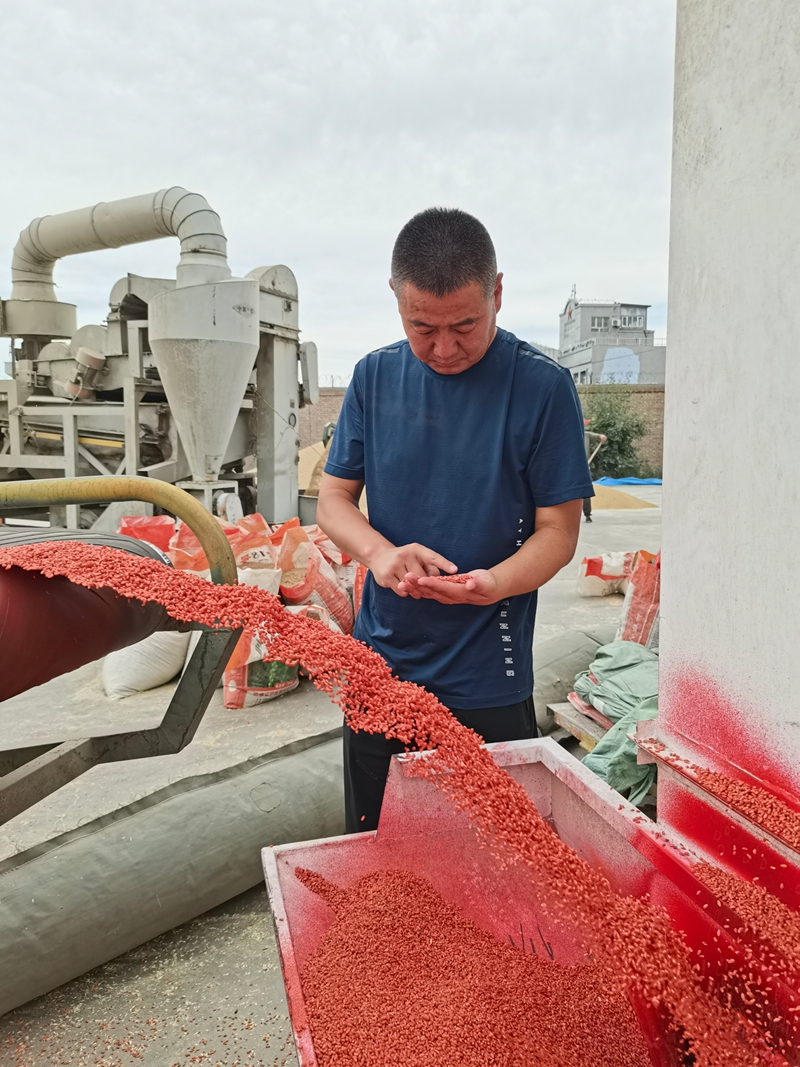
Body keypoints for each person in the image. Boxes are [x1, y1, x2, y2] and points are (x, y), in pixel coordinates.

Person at [317, 207, 594, 833]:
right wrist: (381, 555)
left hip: (488, 669)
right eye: (422, 327)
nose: (444, 349)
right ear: (396, 298)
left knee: (494, 850)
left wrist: (494, 583)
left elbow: (558, 532)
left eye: (465, 325)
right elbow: (333, 499)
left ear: (497, 293)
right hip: (382, 663)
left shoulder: (541, 387)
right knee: (377, 842)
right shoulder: (373, 377)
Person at [583, 420, 607, 522]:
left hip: (584, 467)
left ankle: (587, 514)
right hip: (571, 467)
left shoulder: (586, 435)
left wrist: (601, 437)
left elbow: (599, 437)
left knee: (585, 492)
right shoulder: (567, 436)